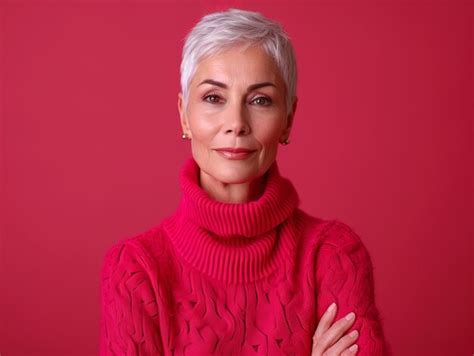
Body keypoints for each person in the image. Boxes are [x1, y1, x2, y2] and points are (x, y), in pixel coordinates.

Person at [99, 8, 391, 356]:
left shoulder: (333, 256)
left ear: (288, 119)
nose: (236, 122)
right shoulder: (136, 270)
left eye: (259, 100)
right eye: (213, 98)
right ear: (184, 116)